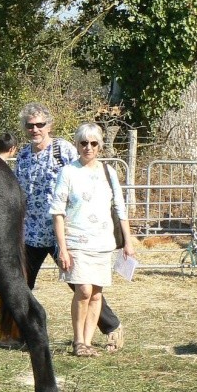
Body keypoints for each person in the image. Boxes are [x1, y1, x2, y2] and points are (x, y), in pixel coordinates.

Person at [11, 102, 125, 350]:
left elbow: (86, 176)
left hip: (64, 231)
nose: (35, 129)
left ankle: (112, 326)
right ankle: (23, 334)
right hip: (32, 232)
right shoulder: (23, 155)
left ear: (49, 125)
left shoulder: (62, 149)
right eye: (30, 126)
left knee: (81, 284)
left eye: (40, 124)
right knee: (21, 284)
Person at [50, 123, 135, 356]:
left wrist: (128, 241)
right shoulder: (68, 172)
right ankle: (78, 341)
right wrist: (63, 249)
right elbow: (58, 213)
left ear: (100, 146)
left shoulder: (109, 173)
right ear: (77, 145)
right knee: (84, 290)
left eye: (93, 143)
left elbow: (120, 208)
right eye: (83, 143)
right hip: (76, 241)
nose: (88, 147)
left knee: (96, 293)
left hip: (103, 242)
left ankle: (87, 342)